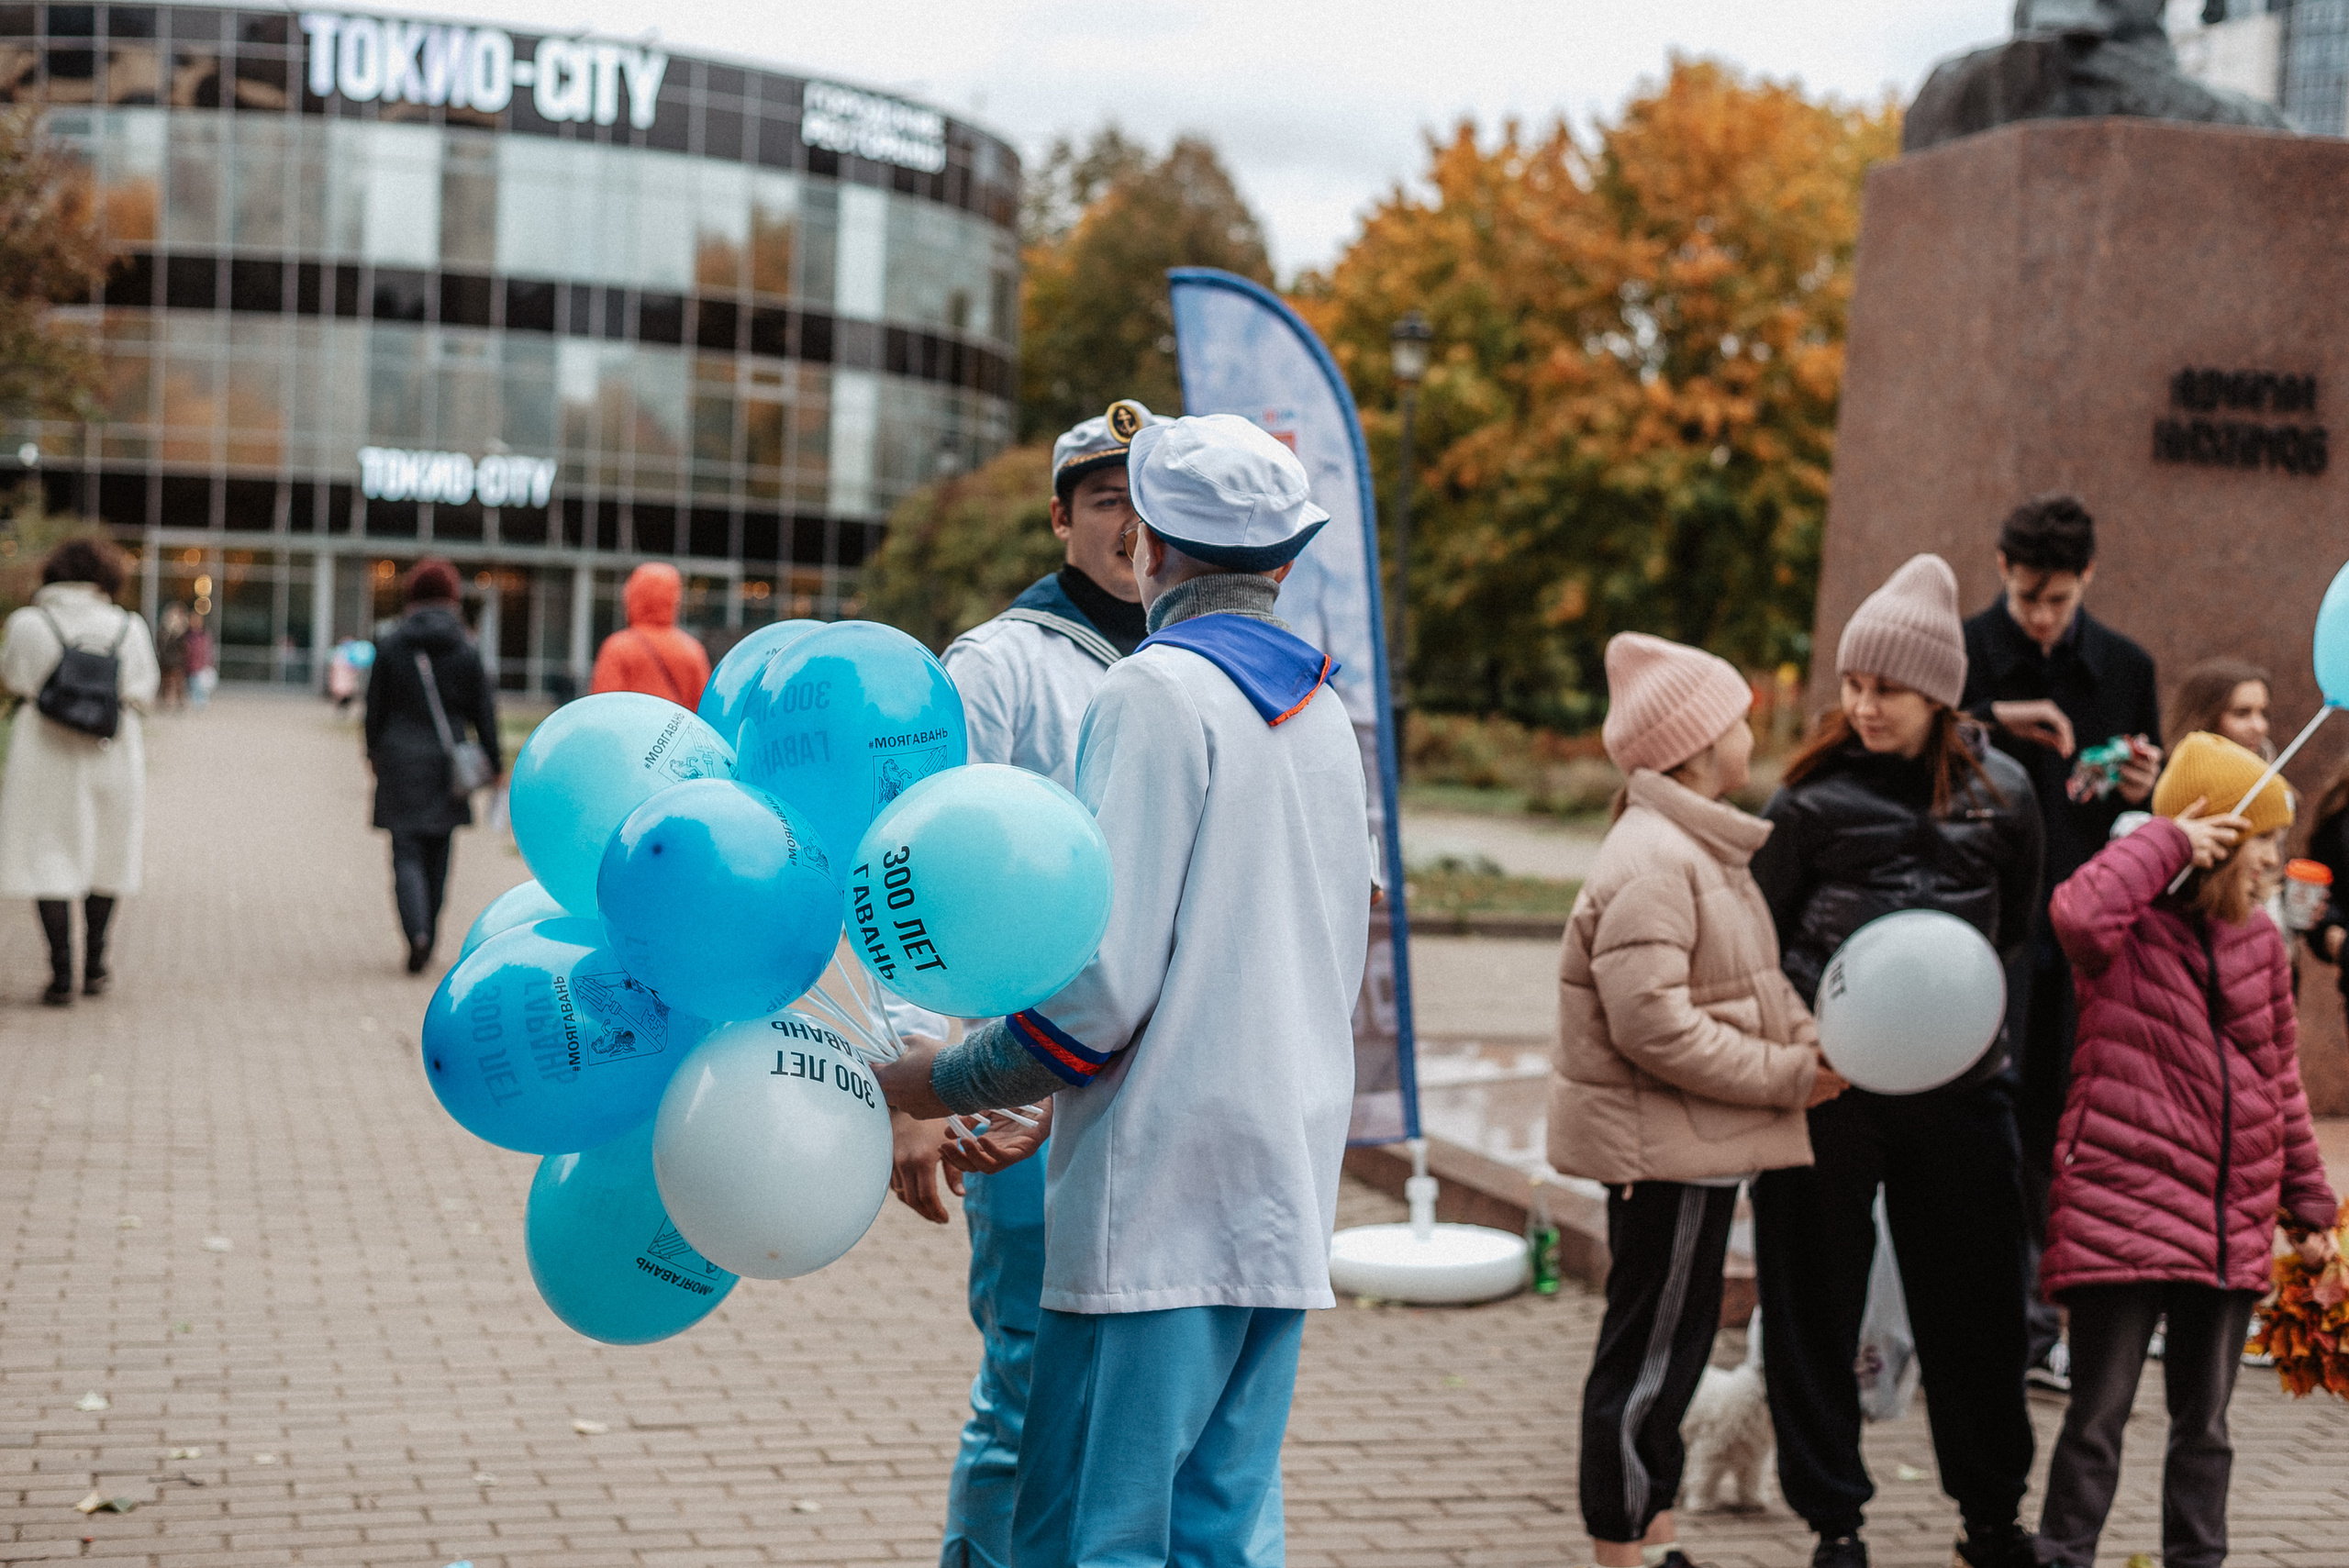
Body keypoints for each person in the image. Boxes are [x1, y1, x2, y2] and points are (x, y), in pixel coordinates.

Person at [875, 414, 1371, 1568]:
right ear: (1286, 562)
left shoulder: (1156, 691)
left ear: (1153, 549)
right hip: (1280, 1179)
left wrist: (936, 1074)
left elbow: (1100, 993)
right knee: (1221, 1531)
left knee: (1095, 1530)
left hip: (1153, 1189)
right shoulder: (1323, 712)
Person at [883, 398, 1163, 1568]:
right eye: (1106, 502)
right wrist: (919, 1080)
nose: (1131, 528)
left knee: (1133, 1397)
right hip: (1023, 1084)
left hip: (1160, 1081)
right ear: (1060, 517)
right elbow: (912, 863)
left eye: (1150, 505)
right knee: (1027, 1383)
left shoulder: (1190, 662)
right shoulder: (999, 664)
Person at [1752, 554, 2044, 1568]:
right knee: (1811, 1302)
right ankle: (1834, 1518)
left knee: (1977, 1306)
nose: (1863, 705)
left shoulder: (2005, 796)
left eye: (1887, 687)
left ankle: (1992, 1514)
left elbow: (2012, 933)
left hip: (1963, 1093)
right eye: (1853, 684)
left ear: (1938, 693)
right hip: (1830, 1093)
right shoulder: (1807, 803)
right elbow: (1763, 940)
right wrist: (1804, 1049)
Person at [1553, 632, 1844, 1568]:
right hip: (1662, 1151)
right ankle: (1621, 1547)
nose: (1750, 728)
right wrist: (1788, 1075)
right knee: (1647, 1361)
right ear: (1697, 738)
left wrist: (1807, 1040)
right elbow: (1655, 1027)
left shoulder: (1693, 848)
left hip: (1687, 1147)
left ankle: (1655, 1529)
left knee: (1667, 1353)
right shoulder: (1655, 859)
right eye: (1737, 716)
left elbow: (1747, 984)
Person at [2036, 731, 2339, 1568]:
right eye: (2266, 840)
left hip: (2224, 1222)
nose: (2278, 859)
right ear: (2219, 840)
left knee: (2205, 1429)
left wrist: (2310, 1209)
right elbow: (2075, 909)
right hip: (2123, 1215)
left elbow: (2281, 1084)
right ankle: (2063, 1556)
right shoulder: (2123, 935)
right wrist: (2161, 838)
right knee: (2097, 1418)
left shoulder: (2260, 946)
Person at [1958, 493, 2163, 1389]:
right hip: (1981, 924)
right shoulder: (1963, 651)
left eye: (2057, 598)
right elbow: (1906, 753)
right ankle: (1986, 1318)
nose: (2040, 614)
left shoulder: (2123, 665)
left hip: (2080, 932)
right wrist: (1997, 719)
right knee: (1983, 1120)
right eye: (2027, 595)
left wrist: (2145, 785)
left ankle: (2046, 1323)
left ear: (2086, 579)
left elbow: (2136, 817)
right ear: (2001, 569)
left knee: (2061, 1127)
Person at [0, 537, 161, 1006]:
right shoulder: (127, 626)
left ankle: (61, 969)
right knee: (107, 853)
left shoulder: (29, 622)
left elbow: (11, 676)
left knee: (46, 852)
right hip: (112, 747)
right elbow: (144, 689)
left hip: (42, 749)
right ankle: (95, 963)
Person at [363, 559, 501, 974]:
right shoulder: (465, 647)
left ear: (412, 596)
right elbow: (484, 711)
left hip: (399, 761)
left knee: (405, 853)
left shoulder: (390, 645)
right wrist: (493, 762)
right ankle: (431, 931)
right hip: (449, 767)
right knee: (439, 852)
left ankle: (416, 934)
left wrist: (373, 754)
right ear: (452, 598)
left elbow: (375, 710)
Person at [590, 562, 710, 706]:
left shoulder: (618, 648)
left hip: (631, 729)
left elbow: (602, 705)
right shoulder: (692, 650)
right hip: (675, 728)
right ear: (674, 598)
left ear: (633, 596)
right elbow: (704, 709)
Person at [2165, 658, 2271, 758]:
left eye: (2263, 713)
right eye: (2241, 713)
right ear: (2205, 717)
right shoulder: (2173, 773)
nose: (2259, 726)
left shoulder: (2268, 772)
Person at [155, 602, 190, 711]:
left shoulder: (182, 631)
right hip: (165, 661)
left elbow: (184, 647)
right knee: (166, 683)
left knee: (178, 683)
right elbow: (160, 644)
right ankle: (165, 702)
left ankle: (179, 703)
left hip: (177, 661)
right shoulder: (164, 630)